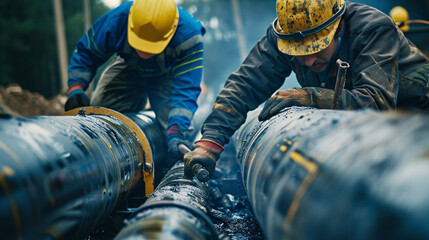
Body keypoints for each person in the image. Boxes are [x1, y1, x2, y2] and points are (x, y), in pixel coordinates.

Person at [183, 0, 429, 179]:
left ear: (338, 27)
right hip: (364, 133)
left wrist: (310, 96)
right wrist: (210, 142)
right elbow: (245, 84)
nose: (309, 62)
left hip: (417, 123)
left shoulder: (372, 29)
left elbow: (377, 102)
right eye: (299, 54)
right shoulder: (283, 35)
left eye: (316, 48)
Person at [65, 0, 205, 165]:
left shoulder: (189, 36)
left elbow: (186, 89)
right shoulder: (118, 19)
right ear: (131, 24)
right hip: (128, 67)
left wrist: (176, 131)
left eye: (150, 46)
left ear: (171, 32)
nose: (144, 51)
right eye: (141, 44)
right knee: (99, 117)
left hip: (165, 76)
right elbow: (86, 51)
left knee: (179, 135)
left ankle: (167, 166)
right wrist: (76, 87)